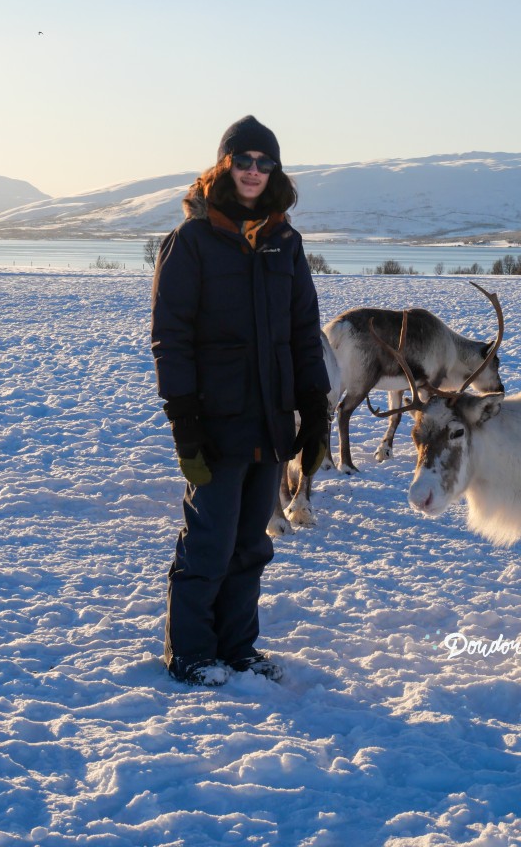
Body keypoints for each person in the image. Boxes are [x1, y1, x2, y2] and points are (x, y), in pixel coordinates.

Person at [151, 115, 330, 687]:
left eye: (264, 162)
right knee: (209, 541)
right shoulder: (193, 241)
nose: (254, 171)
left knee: (252, 543)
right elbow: (171, 337)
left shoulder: (285, 241)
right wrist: (184, 422)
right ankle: (191, 653)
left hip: (272, 418)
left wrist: (315, 410)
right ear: (224, 165)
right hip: (215, 420)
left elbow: (304, 332)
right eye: (244, 160)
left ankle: (237, 648)